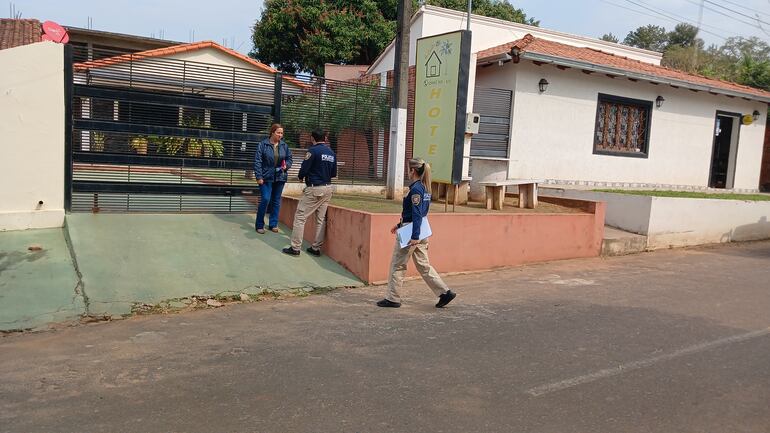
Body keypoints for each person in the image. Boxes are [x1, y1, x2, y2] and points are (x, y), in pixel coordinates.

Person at [376, 158, 456, 308]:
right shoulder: (424, 188)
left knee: (397, 264)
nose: (408, 171)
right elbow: (417, 213)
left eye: (408, 169)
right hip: (420, 229)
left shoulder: (416, 189)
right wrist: (400, 224)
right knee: (424, 265)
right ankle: (445, 293)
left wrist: (414, 236)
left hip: (412, 231)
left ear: (412, 170)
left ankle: (393, 298)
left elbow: (417, 214)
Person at [282, 128, 337, 257]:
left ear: (312, 138)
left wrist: (301, 177)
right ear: (325, 138)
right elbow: (333, 173)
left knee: (300, 217)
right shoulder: (331, 153)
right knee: (320, 219)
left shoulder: (312, 151)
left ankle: (295, 248)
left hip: (314, 189)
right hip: (328, 188)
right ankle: (316, 248)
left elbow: (304, 169)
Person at [254, 123, 293, 234]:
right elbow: (258, 162)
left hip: (280, 177)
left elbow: (290, 159)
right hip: (266, 177)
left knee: (276, 201)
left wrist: (287, 166)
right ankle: (259, 225)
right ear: (272, 132)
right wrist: (259, 176)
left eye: (282, 133)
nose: (280, 135)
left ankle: (273, 224)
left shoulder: (284, 146)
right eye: (278, 133)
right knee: (266, 199)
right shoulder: (263, 145)